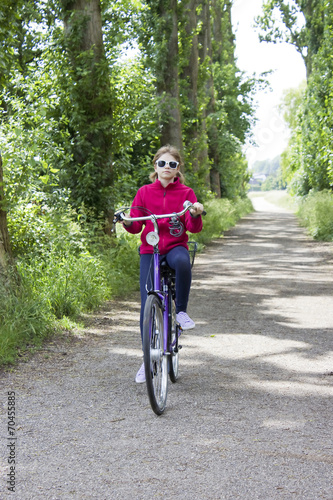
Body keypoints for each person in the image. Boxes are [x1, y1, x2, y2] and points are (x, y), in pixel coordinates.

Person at [122, 145, 205, 383]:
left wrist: (196, 212)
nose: (166, 168)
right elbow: (136, 226)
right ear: (155, 166)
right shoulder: (144, 192)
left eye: (172, 164)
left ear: (178, 168)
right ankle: (148, 358)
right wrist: (127, 221)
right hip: (151, 249)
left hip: (175, 246)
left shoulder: (186, 193)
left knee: (182, 263)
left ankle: (180, 312)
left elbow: (192, 227)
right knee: (146, 302)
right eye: (162, 163)